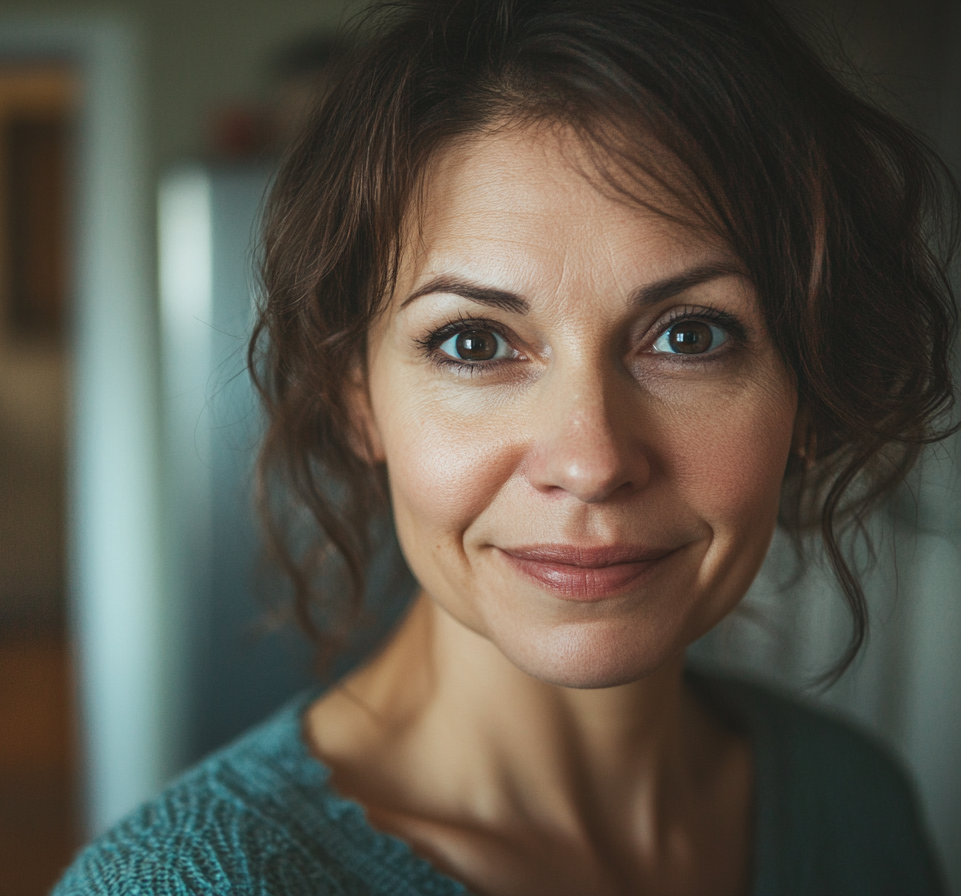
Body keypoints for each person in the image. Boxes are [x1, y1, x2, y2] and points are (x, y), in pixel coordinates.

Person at [57, 0, 956, 892]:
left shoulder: (852, 802)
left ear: (808, 394)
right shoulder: (185, 882)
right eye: (474, 343)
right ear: (358, 399)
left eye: (690, 336)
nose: (591, 460)